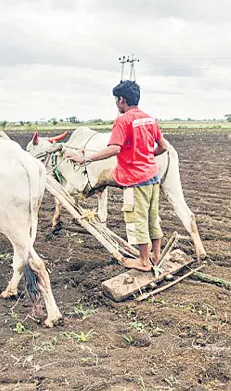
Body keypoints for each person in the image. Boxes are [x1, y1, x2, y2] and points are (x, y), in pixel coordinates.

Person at [65, 80, 167, 272]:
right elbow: (163, 147)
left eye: (116, 100)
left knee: (138, 219)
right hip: (153, 177)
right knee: (152, 217)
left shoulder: (123, 120)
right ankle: (156, 255)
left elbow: (114, 148)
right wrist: (145, 155)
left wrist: (86, 158)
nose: (116, 103)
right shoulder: (149, 119)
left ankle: (144, 261)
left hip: (136, 180)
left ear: (122, 100)